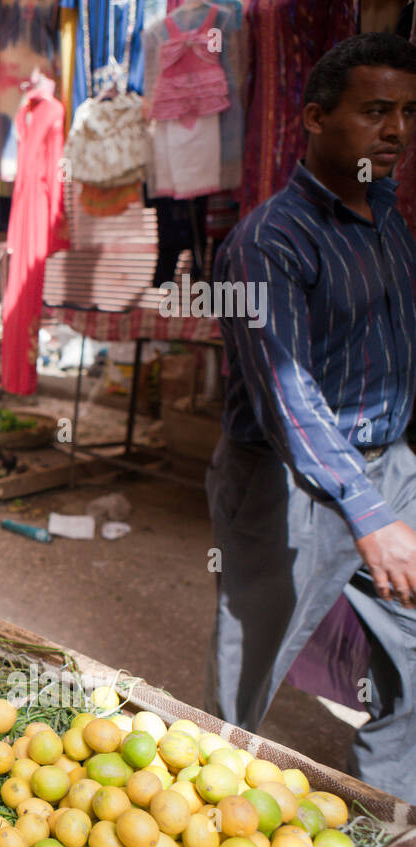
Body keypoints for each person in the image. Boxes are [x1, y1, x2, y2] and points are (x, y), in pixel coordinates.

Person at [205, 33, 416, 803]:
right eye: (375, 112)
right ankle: (203, 820)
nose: (395, 130)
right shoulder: (267, 242)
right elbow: (287, 394)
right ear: (316, 118)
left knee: (415, 648)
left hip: (387, 466)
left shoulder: (387, 222)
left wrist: (388, 485)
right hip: (284, 484)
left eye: (407, 112)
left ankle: (393, 810)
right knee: (248, 672)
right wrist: (369, 512)